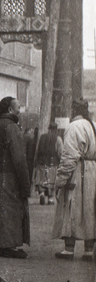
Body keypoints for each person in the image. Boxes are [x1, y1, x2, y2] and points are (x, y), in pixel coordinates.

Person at [0, 97, 31, 259]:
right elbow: (19, 159)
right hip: (8, 177)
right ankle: (8, 245)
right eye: (18, 107)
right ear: (10, 110)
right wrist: (25, 183)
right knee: (10, 209)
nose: (20, 110)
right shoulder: (12, 128)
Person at [51, 99, 96, 261]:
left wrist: (60, 180)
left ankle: (69, 250)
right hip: (92, 171)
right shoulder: (93, 125)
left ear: (73, 110)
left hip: (77, 171)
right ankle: (89, 251)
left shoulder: (74, 127)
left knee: (72, 207)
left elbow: (69, 156)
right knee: (90, 210)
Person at [34, 123, 63, 205]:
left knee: (41, 180)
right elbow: (60, 152)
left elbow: (37, 151)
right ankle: (50, 198)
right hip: (52, 163)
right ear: (56, 130)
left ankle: (42, 194)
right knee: (51, 181)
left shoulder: (42, 137)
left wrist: (35, 162)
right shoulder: (58, 139)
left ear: (48, 129)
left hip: (41, 163)